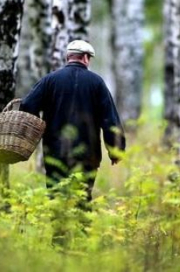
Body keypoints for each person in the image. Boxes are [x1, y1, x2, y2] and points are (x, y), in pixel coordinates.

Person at [20, 40, 126, 203]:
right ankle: (80, 227)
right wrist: (116, 149)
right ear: (85, 58)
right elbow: (109, 119)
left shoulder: (50, 80)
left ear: (68, 57)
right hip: (87, 154)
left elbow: (27, 104)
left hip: (55, 151)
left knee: (56, 197)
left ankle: (58, 228)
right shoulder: (96, 82)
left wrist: (36, 130)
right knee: (82, 199)